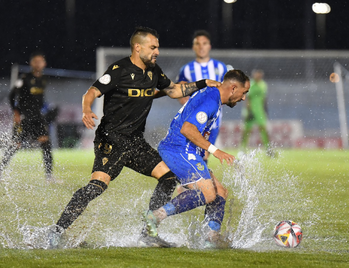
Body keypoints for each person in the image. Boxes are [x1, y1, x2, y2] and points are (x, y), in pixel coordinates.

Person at [47, 27, 221, 248]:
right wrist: (86, 109)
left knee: (168, 178)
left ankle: (148, 232)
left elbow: (175, 90)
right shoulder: (119, 69)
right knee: (96, 187)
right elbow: (91, 91)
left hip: (136, 142)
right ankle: (57, 231)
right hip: (112, 140)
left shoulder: (153, 71)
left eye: (157, 47)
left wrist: (202, 83)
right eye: (153, 47)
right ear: (138, 47)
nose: (157, 51)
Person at [144, 70, 250, 249]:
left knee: (220, 192)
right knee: (208, 194)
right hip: (177, 150)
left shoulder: (214, 96)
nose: (244, 98)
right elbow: (187, 129)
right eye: (244, 92)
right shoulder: (211, 100)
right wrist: (216, 150)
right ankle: (155, 216)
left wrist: (203, 149)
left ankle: (211, 238)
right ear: (233, 88)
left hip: (187, 150)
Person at [0, 51, 57, 183]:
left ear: (44, 64)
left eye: (40, 61)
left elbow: (39, 99)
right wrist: (16, 113)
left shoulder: (44, 79)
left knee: (45, 142)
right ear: (31, 63)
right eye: (36, 61)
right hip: (24, 116)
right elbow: (12, 96)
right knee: (15, 144)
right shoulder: (24, 78)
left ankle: (49, 176)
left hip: (37, 117)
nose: (38, 64)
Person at [177, 30, 228, 162]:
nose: (201, 47)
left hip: (214, 121)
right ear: (193, 47)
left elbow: (227, 91)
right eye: (197, 44)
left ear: (209, 46)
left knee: (204, 154)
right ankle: (192, 181)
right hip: (194, 120)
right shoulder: (186, 69)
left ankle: (191, 181)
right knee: (196, 154)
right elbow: (179, 92)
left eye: (204, 43)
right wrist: (190, 105)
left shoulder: (221, 67)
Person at [240, 69, 272, 156]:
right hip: (251, 110)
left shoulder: (263, 85)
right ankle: (242, 149)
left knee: (263, 129)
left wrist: (265, 109)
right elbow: (247, 98)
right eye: (257, 74)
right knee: (246, 130)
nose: (258, 76)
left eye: (259, 74)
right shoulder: (251, 84)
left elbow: (264, 98)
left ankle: (268, 149)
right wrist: (248, 110)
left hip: (260, 111)